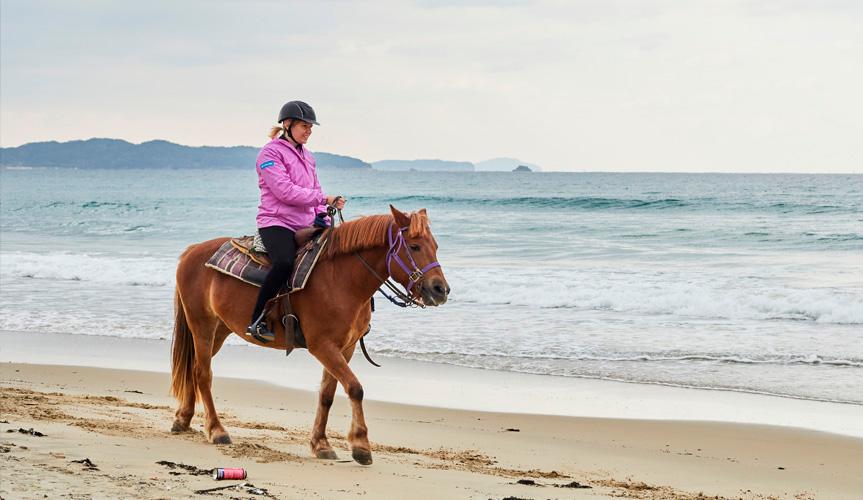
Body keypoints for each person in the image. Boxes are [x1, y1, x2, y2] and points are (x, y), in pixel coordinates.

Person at [247, 100, 346, 343]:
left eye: (311, 127)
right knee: (283, 263)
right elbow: (284, 191)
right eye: (304, 126)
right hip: (276, 222)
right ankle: (257, 320)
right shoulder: (269, 154)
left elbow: (315, 188)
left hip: (305, 222)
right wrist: (324, 198)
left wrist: (323, 211)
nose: (308, 131)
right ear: (287, 125)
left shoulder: (308, 156)